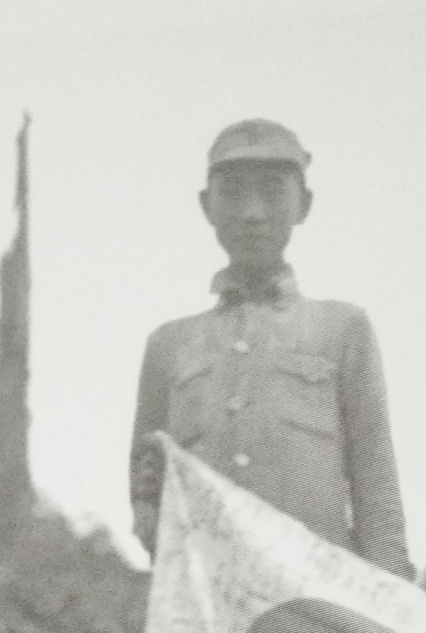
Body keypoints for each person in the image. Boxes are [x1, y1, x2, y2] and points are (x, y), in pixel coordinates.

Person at [129, 119, 411, 577]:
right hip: (209, 604)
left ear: (305, 204)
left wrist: (393, 610)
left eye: (273, 191)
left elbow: (377, 494)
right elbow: (145, 488)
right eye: (234, 193)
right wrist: (148, 513)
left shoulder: (341, 328)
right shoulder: (169, 346)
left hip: (316, 604)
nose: (253, 213)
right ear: (206, 206)